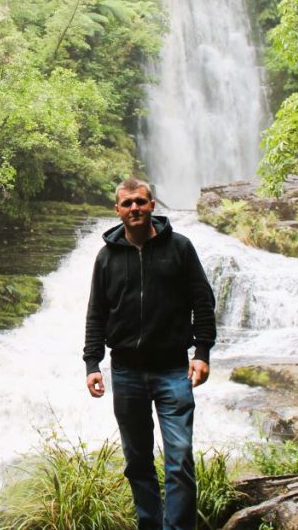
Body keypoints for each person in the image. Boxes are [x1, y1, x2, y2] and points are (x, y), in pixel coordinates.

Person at [83, 177, 217, 530]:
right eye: (127, 204)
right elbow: (96, 312)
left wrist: (201, 352)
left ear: (153, 204)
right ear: (117, 210)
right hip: (125, 372)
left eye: (140, 201)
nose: (134, 208)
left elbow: (203, 302)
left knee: (180, 460)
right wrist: (92, 362)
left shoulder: (180, 248)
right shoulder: (106, 257)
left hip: (173, 370)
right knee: (138, 463)